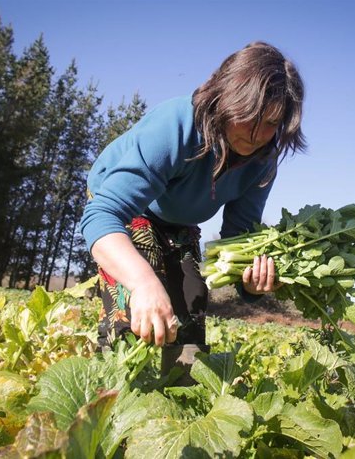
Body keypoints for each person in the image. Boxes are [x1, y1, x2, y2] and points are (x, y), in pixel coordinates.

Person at [79, 41, 305, 382]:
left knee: (191, 299)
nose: (258, 135)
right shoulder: (176, 125)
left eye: (272, 123)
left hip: (178, 218)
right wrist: (142, 282)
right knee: (135, 302)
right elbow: (102, 216)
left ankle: (181, 397)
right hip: (125, 205)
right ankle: (107, 392)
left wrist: (252, 283)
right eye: (249, 118)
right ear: (225, 100)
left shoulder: (263, 161)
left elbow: (237, 237)